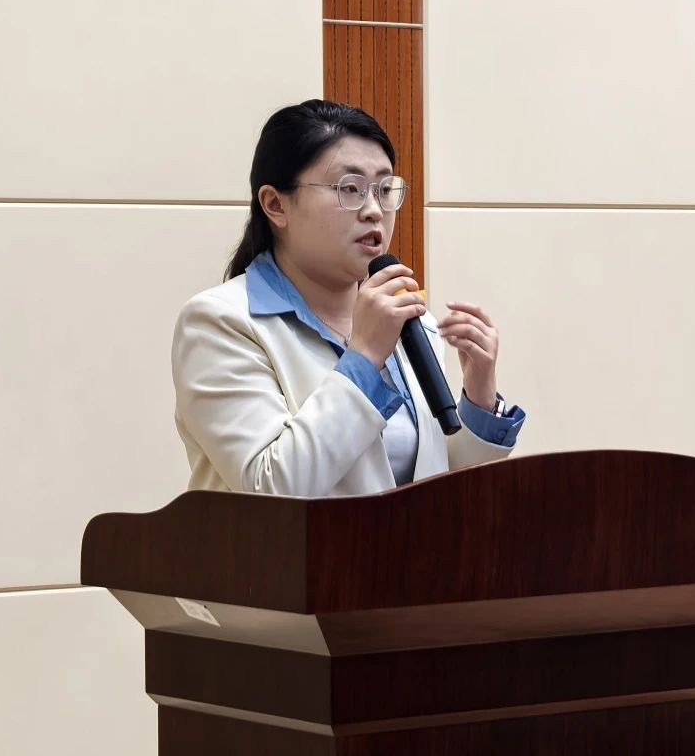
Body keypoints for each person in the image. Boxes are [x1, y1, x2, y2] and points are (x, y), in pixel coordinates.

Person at [171, 99, 526, 496]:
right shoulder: (220, 322)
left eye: (384, 190)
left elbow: (437, 488)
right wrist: (364, 359)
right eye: (350, 189)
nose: (374, 210)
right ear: (275, 204)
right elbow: (270, 488)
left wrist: (479, 398)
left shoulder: (412, 324)